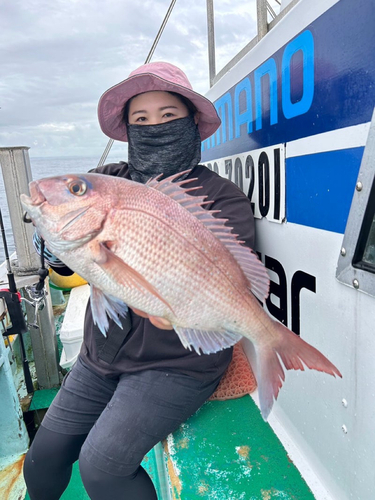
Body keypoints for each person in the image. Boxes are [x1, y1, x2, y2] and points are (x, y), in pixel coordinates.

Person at [23, 61, 255, 500]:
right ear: (127, 131)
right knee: (46, 454)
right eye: (140, 119)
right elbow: (68, 268)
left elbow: (228, 283)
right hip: (102, 352)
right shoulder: (110, 182)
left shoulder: (222, 198)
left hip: (177, 362)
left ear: (191, 122)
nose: (155, 127)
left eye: (168, 116)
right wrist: (55, 245)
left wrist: (183, 310)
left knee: (102, 467)